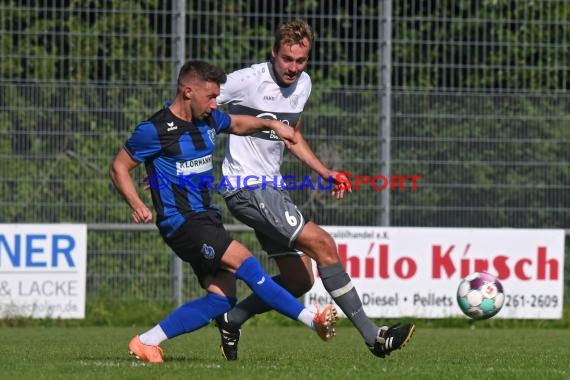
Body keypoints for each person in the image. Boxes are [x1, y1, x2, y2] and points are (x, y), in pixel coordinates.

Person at [109, 60, 337, 363]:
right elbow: (119, 167)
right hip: (182, 222)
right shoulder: (155, 129)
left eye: (218, 97)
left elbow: (238, 123)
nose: (215, 103)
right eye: (211, 97)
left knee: (223, 297)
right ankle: (312, 320)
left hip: (206, 217)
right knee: (246, 261)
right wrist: (137, 204)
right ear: (188, 91)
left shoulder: (209, 118)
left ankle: (147, 342)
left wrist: (271, 124)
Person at [215, 19, 415, 360]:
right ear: (273, 53)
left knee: (299, 280)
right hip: (246, 187)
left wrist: (324, 171)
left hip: (271, 189)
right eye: (287, 59)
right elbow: (192, 103)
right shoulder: (246, 80)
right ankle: (374, 336)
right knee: (324, 244)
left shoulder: (303, 85)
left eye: (301, 60)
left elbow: (292, 134)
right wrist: (173, 152)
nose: (293, 68)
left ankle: (231, 319)